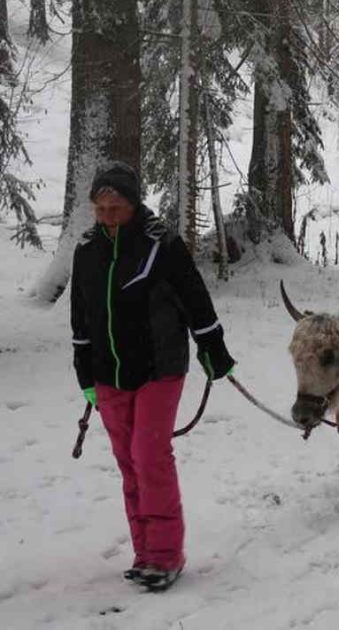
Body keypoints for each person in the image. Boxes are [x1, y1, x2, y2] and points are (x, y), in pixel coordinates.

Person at [71, 161, 236, 592]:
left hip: (159, 367)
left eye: (116, 207)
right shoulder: (87, 250)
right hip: (109, 373)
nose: (107, 215)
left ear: (133, 204)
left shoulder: (161, 245)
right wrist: (83, 367)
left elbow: (195, 298)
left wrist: (213, 347)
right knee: (128, 462)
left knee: (149, 456)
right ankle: (145, 552)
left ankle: (166, 555)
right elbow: (81, 317)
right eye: (100, 208)